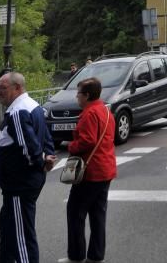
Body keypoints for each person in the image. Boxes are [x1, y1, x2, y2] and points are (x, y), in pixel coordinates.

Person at [0, 71, 56, 263]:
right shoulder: (34, 106)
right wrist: (48, 156)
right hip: (24, 182)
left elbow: (28, 147)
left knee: (21, 236)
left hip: (19, 184)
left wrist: (40, 163)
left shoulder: (17, 112)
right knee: (6, 224)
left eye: (3, 88)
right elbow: (46, 138)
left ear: (17, 88)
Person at [58, 77, 116, 263]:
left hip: (90, 171)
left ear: (87, 95)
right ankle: (96, 255)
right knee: (98, 214)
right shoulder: (106, 112)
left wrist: (71, 146)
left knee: (75, 212)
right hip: (105, 168)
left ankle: (76, 256)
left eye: (79, 93)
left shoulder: (89, 113)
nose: (77, 97)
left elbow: (87, 140)